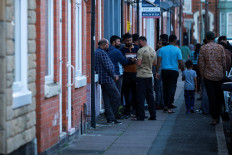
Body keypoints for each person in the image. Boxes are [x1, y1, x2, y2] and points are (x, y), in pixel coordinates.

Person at [199, 31, 226, 125]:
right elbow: (224, 62)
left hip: (208, 76)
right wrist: (223, 73)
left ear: (206, 38)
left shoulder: (203, 48)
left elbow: (201, 64)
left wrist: (202, 75)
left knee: (212, 97)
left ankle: (214, 117)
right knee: (219, 96)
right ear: (214, 38)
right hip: (219, 75)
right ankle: (218, 116)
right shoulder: (220, 47)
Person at [95, 39, 121, 124]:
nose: (108, 46)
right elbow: (108, 66)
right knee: (117, 97)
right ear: (105, 44)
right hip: (107, 78)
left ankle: (110, 118)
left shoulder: (96, 52)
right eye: (107, 44)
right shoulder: (102, 53)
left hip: (102, 79)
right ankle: (111, 115)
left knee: (106, 99)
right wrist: (114, 76)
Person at [156, 35, 184, 113]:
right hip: (173, 71)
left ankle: (165, 105)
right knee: (172, 88)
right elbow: (180, 62)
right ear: (175, 41)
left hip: (164, 70)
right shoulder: (177, 50)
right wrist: (183, 71)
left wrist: (157, 72)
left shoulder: (162, 49)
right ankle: (169, 106)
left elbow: (158, 61)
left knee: (165, 88)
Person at [133, 36, 157, 121]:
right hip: (149, 75)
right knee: (150, 96)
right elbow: (155, 63)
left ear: (141, 41)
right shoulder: (153, 50)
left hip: (141, 75)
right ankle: (153, 114)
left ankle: (141, 116)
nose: (137, 44)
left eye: (137, 42)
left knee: (140, 96)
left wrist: (134, 60)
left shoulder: (141, 50)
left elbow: (138, 63)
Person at [120, 33, 139, 117]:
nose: (129, 42)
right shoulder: (122, 50)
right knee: (126, 93)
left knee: (135, 93)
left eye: (130, 40)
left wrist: (131, 60)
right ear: (124, 41)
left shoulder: (137, 49)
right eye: (127, 40)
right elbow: (123, 61)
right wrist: (131, 60)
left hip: (136, 73)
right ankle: (127, 110)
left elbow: (139, 59)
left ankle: (135, 110)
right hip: (126, 74)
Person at [153, 36, 168, 110]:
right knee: (162, 88)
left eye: (159, 44)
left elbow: (156, 62)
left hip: (159, 71)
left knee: (158, 88)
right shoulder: (167, 50)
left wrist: (156, 72)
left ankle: (158, 103)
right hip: (166, 70)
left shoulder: (159, 50)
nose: (158, 45)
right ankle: (163, 103)